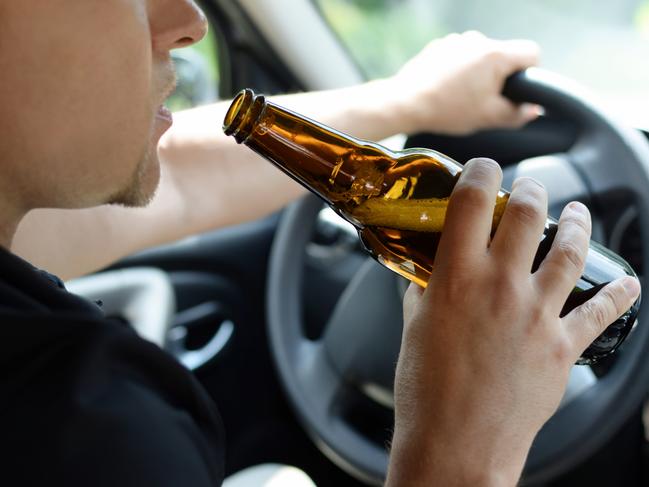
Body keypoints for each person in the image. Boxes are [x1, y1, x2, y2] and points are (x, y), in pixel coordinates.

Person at [0, 1, 639, 486]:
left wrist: (409, 99)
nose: (190, 20)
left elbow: (186, 186)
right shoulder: (82, 430)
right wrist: (463, 446)